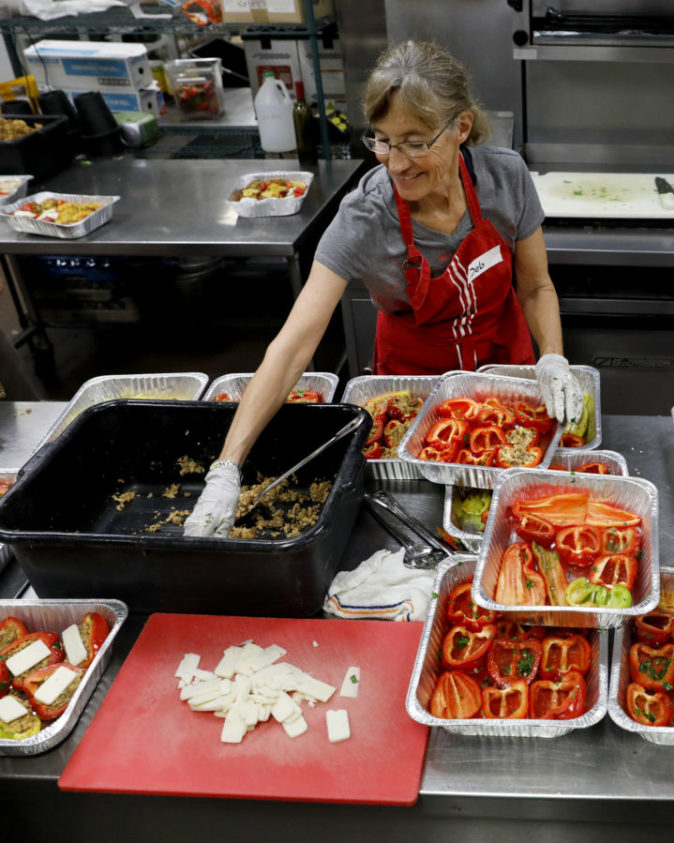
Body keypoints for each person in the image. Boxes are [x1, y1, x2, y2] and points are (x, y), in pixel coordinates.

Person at [184, 40, 584, 538]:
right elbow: (293, 346)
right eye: (382, 141)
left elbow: (536, 286)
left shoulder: (506, 179)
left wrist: (552, 358)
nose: (396, 164)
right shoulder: (364, 217)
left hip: (509, 382)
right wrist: (227, 469)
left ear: (461, 127)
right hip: (413, 404)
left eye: (416, 142)